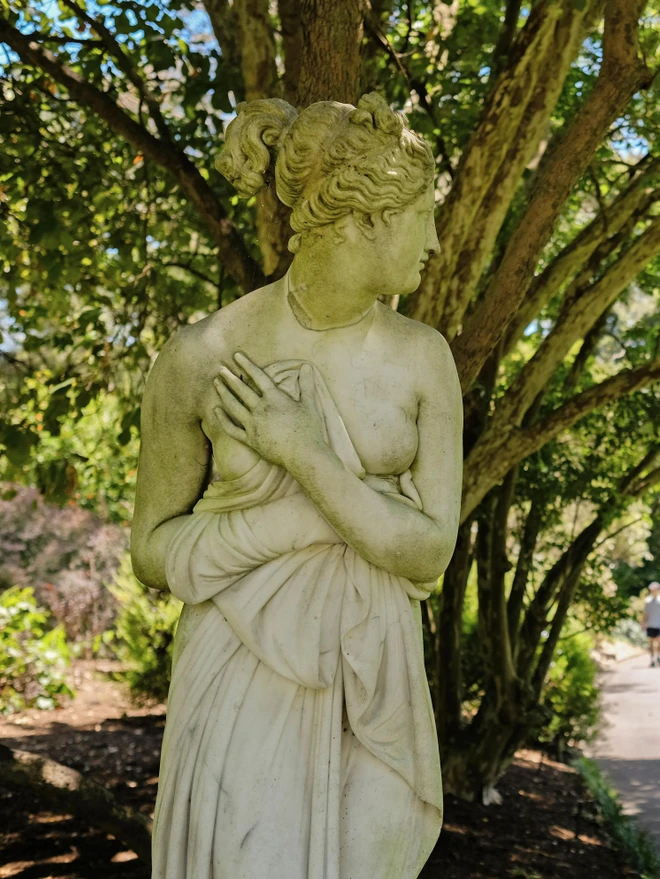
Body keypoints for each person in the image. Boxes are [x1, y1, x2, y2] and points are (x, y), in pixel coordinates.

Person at [130, 94, 457, 877]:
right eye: (423, 216)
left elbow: (430, 550)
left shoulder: (423, 358)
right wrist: (305, 521)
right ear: (366, 218)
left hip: (374, 677)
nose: (436, 242)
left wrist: (307, 457)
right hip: (240, 674)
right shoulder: (202, 354)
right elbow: (150, 550)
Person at [642, 582, 660, 667]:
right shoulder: (647, 600)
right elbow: (645, 613)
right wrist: (643, 623)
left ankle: (659, 656)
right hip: (650, 624)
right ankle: (652, 659)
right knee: (651, 642)